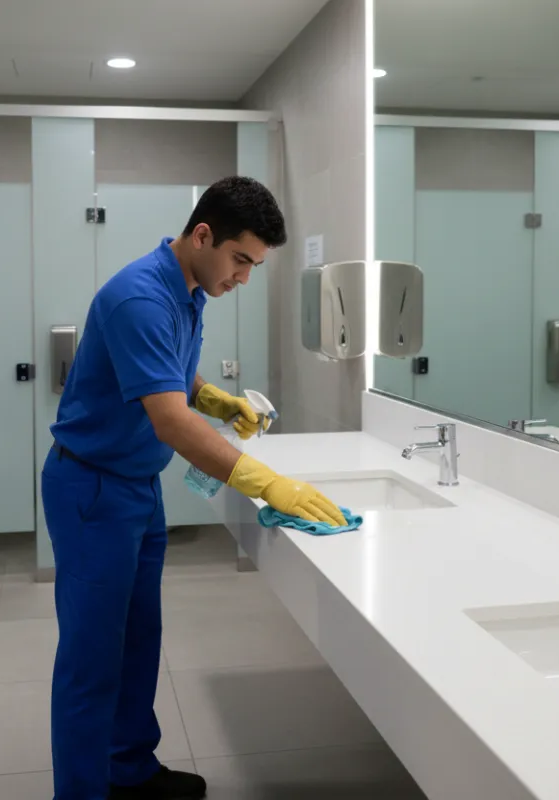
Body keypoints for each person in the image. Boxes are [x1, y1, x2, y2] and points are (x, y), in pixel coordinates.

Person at [42, 176, 346, 800]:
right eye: (240, 260)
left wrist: (213, 396)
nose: (243, 278)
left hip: (136, 487)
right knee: (92, 660)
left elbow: (172, 372)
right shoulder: (139, 297)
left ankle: (128, 771)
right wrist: (265, 482)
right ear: (202, 234)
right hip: (93, 490)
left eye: (255, 266)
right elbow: (170, 420)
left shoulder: (187, 288)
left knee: (137, 642)